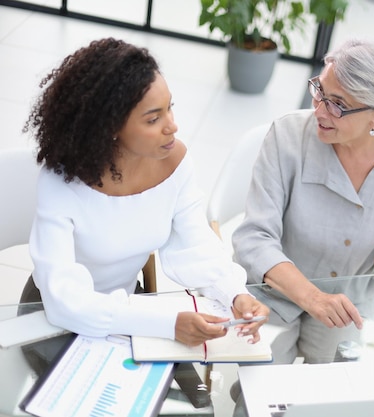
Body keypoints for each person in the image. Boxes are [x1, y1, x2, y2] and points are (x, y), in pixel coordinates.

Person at [21, 37, 269, 405]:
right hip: (54, 318)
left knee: (198, 403)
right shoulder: (62, 179)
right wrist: (167, 324)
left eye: (170, 109)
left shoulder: (174, 161)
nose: (172, 126)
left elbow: (196, 245)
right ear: (110, 126)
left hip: (130, 306)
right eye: (154, 119)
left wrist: (235, 294)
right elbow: (64, 300)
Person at [232, 38, 374, 366]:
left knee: (334, 396)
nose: (319, 109)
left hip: (346, 306)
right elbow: (253, 239)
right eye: (319, 91)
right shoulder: (287, 136)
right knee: (258, 398)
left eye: (337, 104)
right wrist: (313, 298)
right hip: (269, 297)